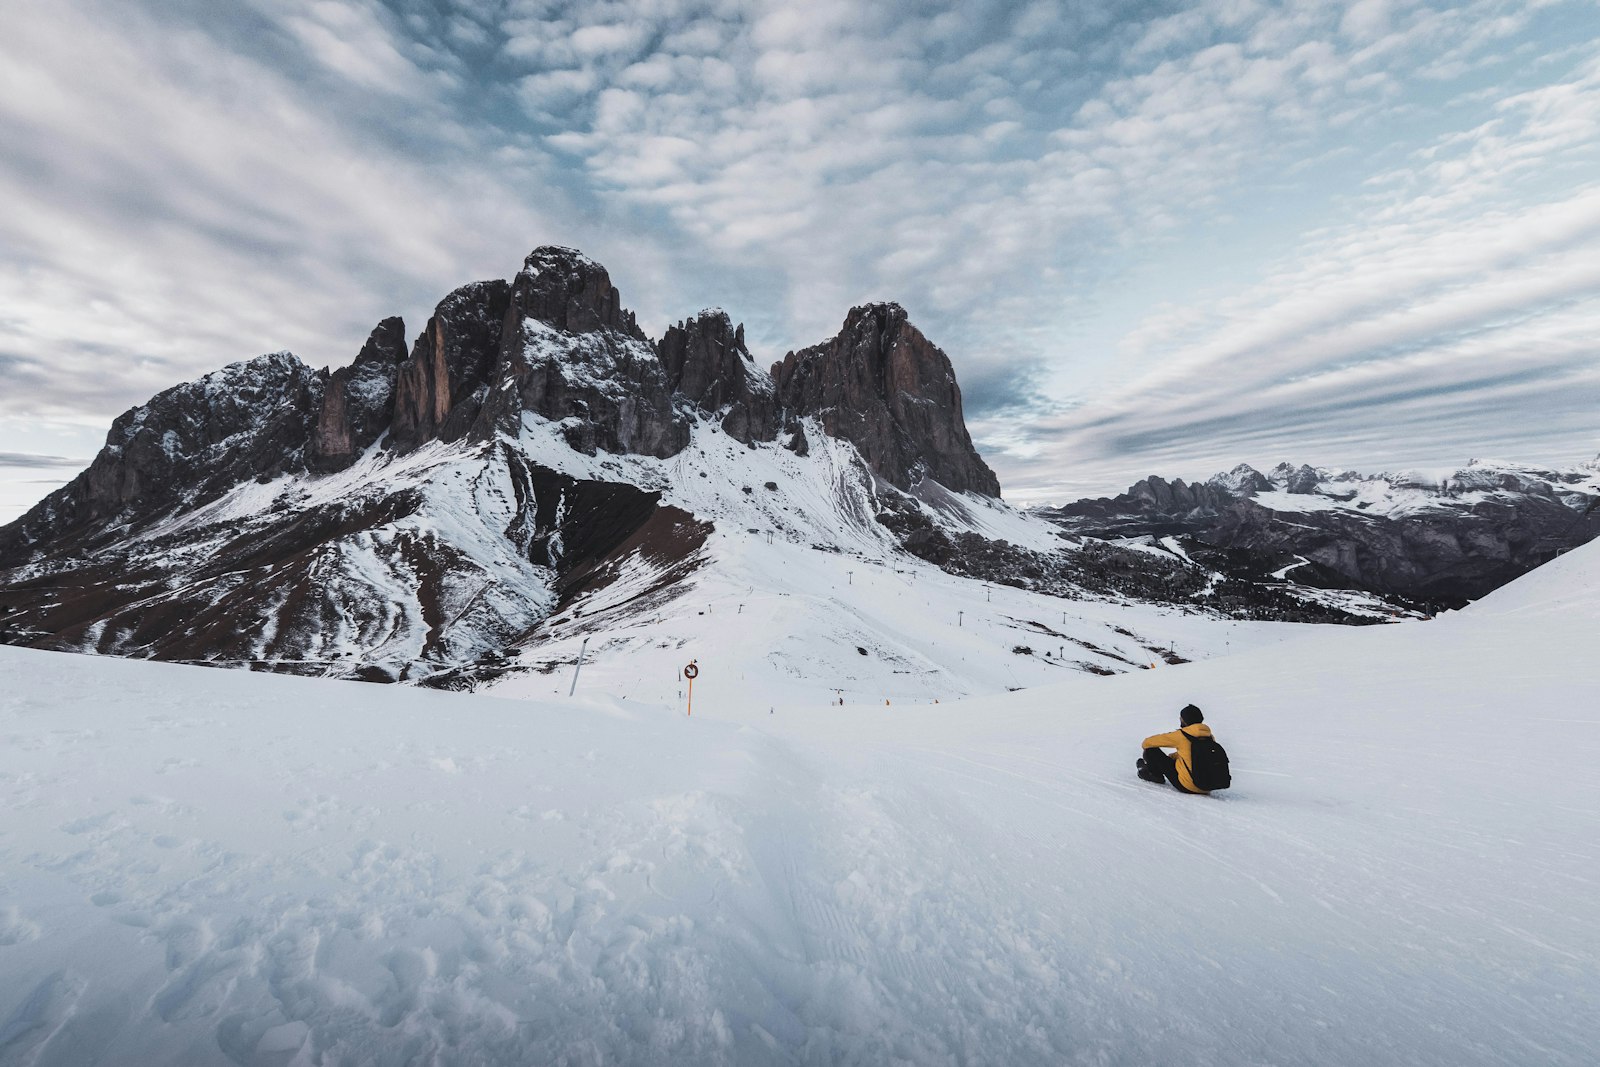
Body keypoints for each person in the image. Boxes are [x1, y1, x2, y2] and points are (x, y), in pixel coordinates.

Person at [1137, 704, 1216, 794]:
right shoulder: (1209, 737)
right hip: (1206, 786)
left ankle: (1155, 775)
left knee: (1151, 750)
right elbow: (1193, 755)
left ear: (1185, 720)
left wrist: (1162, 760)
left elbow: (1147, 743)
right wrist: (1172, 757)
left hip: (1187, 786)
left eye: (1181, 718)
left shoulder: (1182, 735)